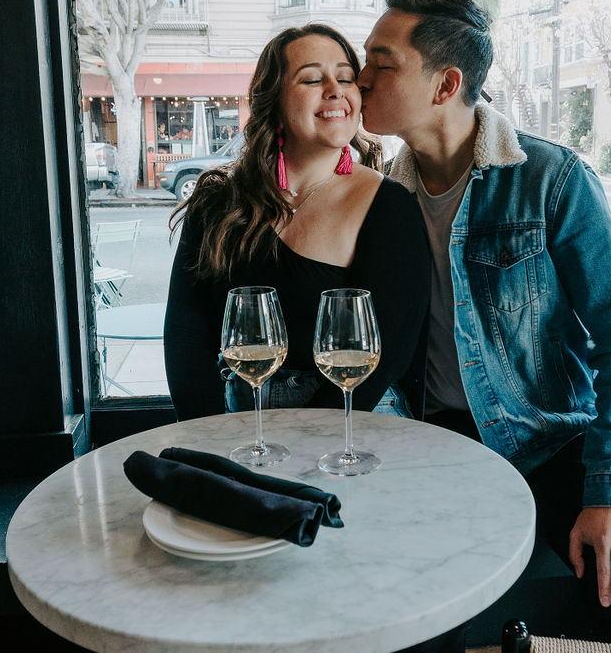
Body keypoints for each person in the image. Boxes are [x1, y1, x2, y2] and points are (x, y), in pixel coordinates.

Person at [356, 0, 611, 653]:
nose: (361, 78)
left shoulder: (551, 180)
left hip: (555, 438)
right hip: (440, 445)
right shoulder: (383, 197)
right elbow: (377, 351)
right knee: (419, 625)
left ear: (445, 84)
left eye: (381, 63)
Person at [164, 22, 430, 421]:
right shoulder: (218, 200)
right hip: (239, 415)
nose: (335, 90)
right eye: (311, 79)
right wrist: (205, 433)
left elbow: (388, 352)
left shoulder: (390, 204)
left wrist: (308, 438)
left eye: (345, 77)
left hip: (355, 418)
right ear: (273, 100)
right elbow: (186, 335)